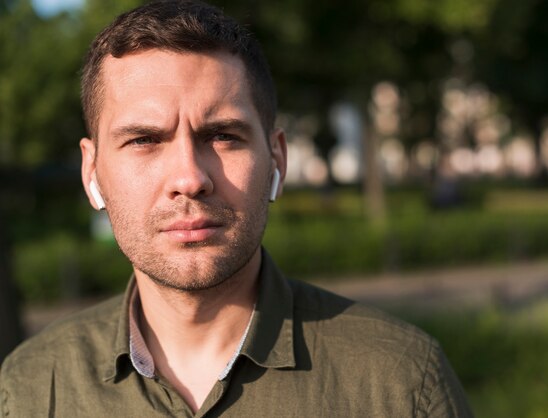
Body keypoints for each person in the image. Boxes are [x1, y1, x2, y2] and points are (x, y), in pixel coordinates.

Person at [0, 1, 473, 416]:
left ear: (277, 160)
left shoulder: (402, 385)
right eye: (144, 140)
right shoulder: (33, 387)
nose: (190, 178)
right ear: (91, 172)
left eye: (223, 136)